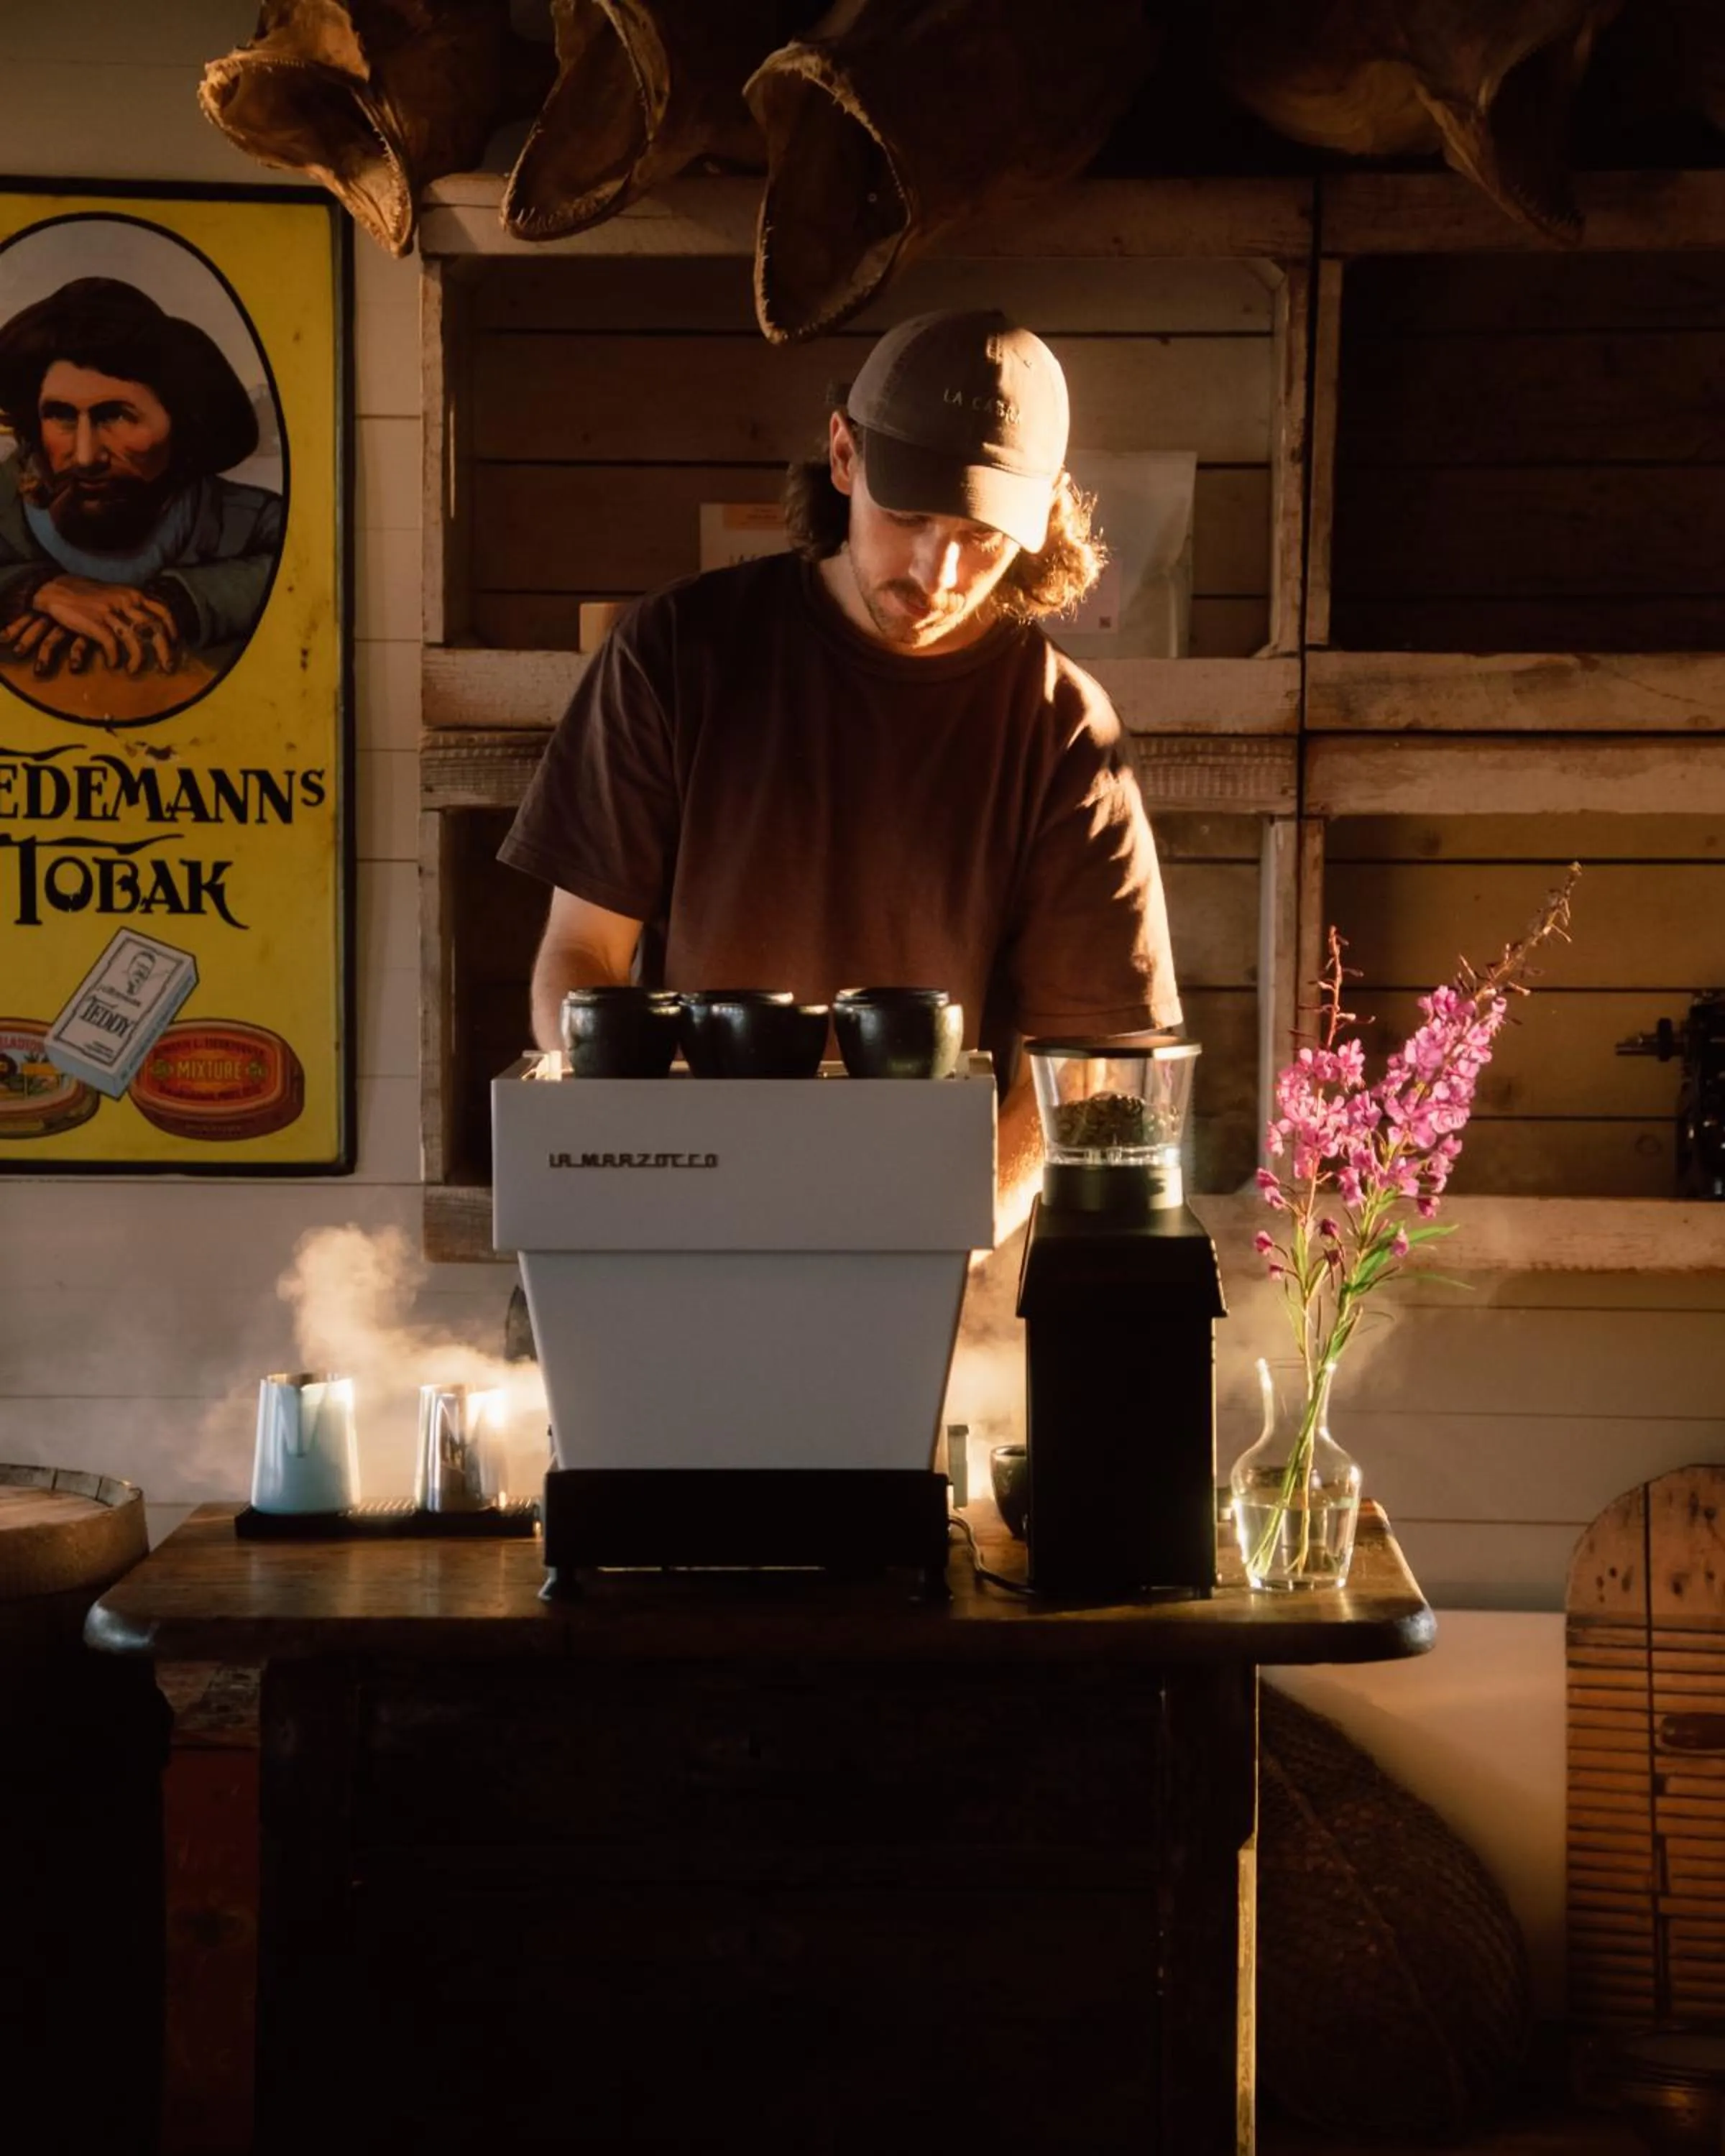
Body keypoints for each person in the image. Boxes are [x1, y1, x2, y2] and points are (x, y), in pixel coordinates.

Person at [500, 308, 1181, 1238]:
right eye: (909, 519)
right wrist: (635, 1166)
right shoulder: (676, 653)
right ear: (844, 456)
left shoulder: (1061, 729)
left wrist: (947, 1235)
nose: (940, 573)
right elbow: (582, 956)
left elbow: (1094, 1061)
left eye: (982, 536)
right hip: (686, 1207)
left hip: (932, 1229)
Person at [0, 276, 282, 686]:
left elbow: (304, 562)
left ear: (179, 422)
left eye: (114, 416)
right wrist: (36, 590)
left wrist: (174, 602)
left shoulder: (245, 519)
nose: (85, 456)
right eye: (61, 416)